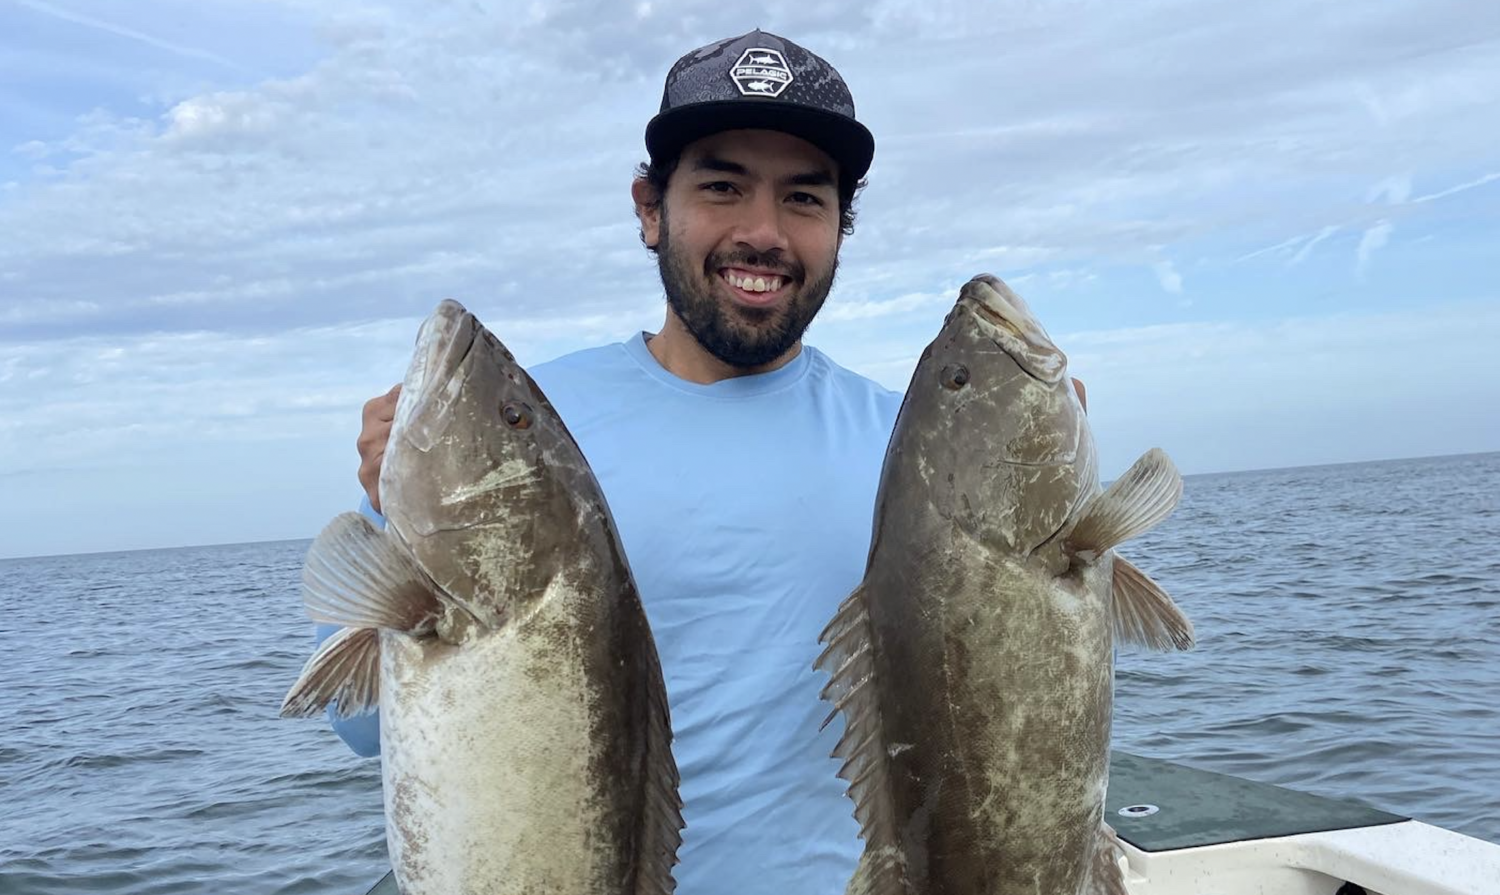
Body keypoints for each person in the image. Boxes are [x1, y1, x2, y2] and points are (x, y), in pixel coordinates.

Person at [318, 29, 1085, 894]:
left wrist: (1049, 481)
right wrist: (393, 511)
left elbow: (1021, 721)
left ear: (841, 226)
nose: (762, 232)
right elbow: (361, 725)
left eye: (805, 197)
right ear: (651, 207)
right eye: (722, 186)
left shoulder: (916, 448)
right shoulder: (525, 433)